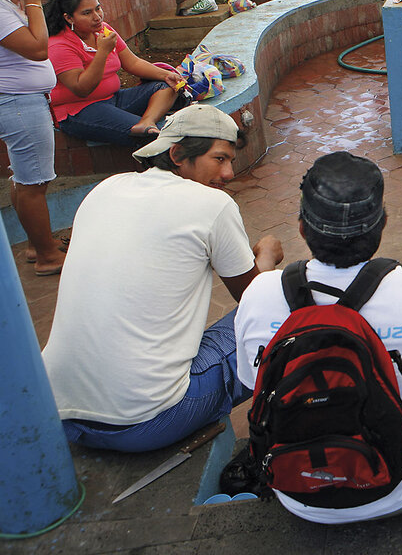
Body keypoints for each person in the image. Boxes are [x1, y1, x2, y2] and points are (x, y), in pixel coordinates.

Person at [235, 152, 402, 522]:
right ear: (383, 225)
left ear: (302, 229)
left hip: (297, 496)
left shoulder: (259, 293)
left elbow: (252, 382)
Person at [40, 105, 284, 452]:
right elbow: (257, 299)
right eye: (219, 159)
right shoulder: (211, 204)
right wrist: (268, 256)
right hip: (146, 421)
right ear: (177, 154)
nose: (229, 173)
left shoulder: (105, 189)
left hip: (61, 413)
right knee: (287, 304)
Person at [45, 0, 184, 145]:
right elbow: (82, 88)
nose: (97, 17)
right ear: (69, 18)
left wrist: (167, 75)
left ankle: (147, 121)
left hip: (113, 99)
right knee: (151, 138)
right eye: (87, 13)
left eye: (98, 8)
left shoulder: (103, 30)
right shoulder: (58, 45)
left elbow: (132, 63)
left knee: (165, 86)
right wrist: (102, 53)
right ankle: (143, 131)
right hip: (79, 110)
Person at [0, 0, 65, 276]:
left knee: (25, 178)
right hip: (18, 104)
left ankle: (35, 245)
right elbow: (39, 48)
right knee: (34, 183)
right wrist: (33, 2)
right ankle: (47, 256)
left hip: (20, 101)